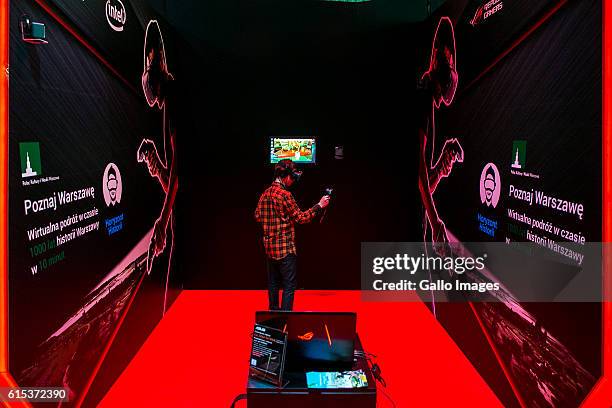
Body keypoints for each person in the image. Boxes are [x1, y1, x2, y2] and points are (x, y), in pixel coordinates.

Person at [137, 20, 178, 315]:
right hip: (180, 226)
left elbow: (179, 177)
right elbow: (173, 180)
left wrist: (162, 223)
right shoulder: (168, 105)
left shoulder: (174, 100)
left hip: (185, 228)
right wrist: (153, 160)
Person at [255, 159, 330, 310]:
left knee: (273, 285)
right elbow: (301, 218)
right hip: (285, 249)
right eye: (292, 178)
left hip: (270, 249)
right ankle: (285, 320)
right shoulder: (284, 195)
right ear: (286, 176)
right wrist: (319, 206)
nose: (293, 182)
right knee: (289, 286)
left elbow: (257, 215)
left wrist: (273, 221)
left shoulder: (265, 194)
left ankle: (274, 320)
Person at [417, 16, 462, 250]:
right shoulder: (423, 98)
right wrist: (436, 223)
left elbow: (423, 186)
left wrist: (440, 170)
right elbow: (417, 173)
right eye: (449, 60)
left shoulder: (427, 102)